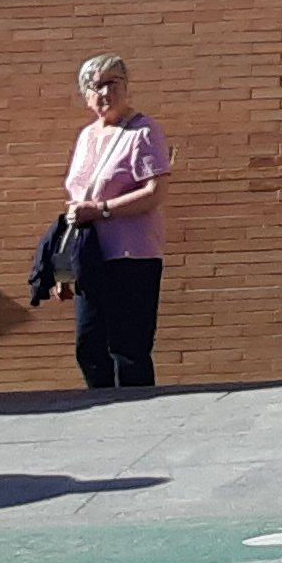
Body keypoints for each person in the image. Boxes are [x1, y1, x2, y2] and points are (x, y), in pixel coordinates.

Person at [59, 55, 167, 391]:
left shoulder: (143, 132)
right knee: (89, 345)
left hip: (132, 256)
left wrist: (102, 210)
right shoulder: (86, 137)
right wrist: (64, 269)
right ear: (85, 95)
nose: (105, 92)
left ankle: (137, 416)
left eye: (112, 83)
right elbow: (77, 202)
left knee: (128, 349)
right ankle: (101, 410)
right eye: (96, 86)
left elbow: (154, 192)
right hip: (91, 256)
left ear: (125, 87)